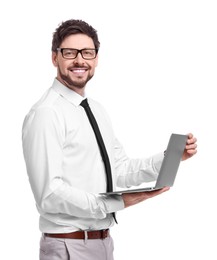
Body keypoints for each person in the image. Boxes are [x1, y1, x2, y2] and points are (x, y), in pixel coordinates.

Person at [22, 19, 197, 260]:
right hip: (68, 246)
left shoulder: (95, 109)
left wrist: (171, 158)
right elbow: (49, 194)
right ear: (55, 58)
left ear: (96, 59)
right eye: (70, 52)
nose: (80, 60)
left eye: (87, 53)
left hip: (103, 243)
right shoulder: (46, 113)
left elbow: (119, 169)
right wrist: (117, 202)